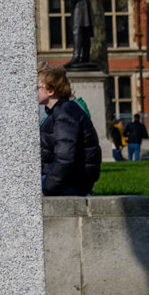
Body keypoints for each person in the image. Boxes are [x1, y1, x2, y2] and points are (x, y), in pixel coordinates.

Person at [38, 62, 103, 196]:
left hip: (71, 183)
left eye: (37, 87)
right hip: (69, 180)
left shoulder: (65, 114)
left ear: (50, 91)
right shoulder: (60, 111)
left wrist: (47, 188)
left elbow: (65, 157)